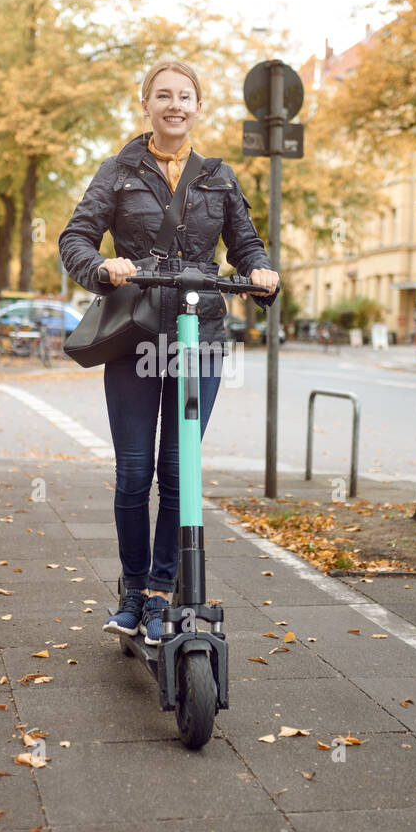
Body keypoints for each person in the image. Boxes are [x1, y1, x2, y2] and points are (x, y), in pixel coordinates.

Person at [58, 59, 279, 644]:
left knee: (179, 472)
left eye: (185, 96)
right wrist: (102, 267)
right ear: (146, 104)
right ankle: (132, 594)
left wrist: (259, 272)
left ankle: (162, 593)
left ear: (198, 107)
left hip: (197, 335)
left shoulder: (219, 178)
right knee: (134, 473)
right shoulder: (120, 170)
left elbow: (246, 245)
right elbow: (75, 237)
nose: (174, 104)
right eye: (163, 95)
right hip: (133, 335)